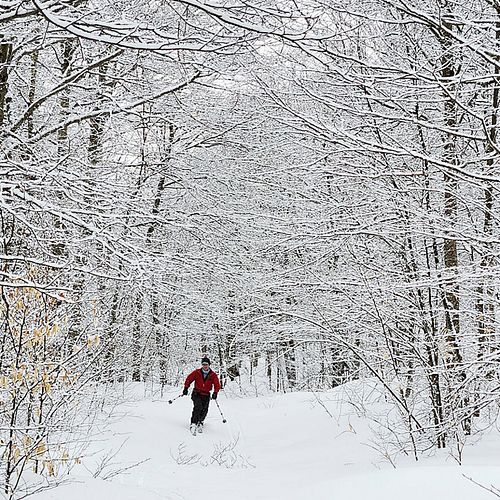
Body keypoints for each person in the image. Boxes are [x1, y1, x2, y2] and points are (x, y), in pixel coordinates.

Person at [183, 357, 221, 435]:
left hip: (206, 394)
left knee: (205, 409)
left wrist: (215, 392)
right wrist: (186, 388)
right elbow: (189, 379)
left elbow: (217, 384)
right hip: (197, 393)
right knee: (198, 406)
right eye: (203, 364)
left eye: (206, 364)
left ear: (209, 365)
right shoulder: (197, 372)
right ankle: (194, 422)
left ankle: (200, 421)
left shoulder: (213, 375)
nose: (205, 366)